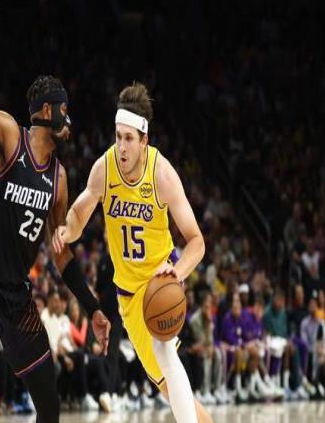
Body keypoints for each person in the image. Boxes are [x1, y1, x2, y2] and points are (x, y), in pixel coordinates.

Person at [0, 0, 109, 423]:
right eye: (65, 110)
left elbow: (62, 254)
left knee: (50, 406)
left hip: (18, 298)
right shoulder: (8, 135)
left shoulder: (59, 178)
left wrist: (92, 307)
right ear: (47, 110)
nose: (69, 120)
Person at [53, 82, 212, 422]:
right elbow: (80, 211)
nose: (122, 146)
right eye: (118, 137)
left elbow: (197, 242)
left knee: (164, 350)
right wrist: (67, 230)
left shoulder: (162, 174)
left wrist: (177, 273)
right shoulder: (105, 168)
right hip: (128, 297)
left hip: (160, 281)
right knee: (169, 387)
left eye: (129, 138)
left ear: (144, 141)